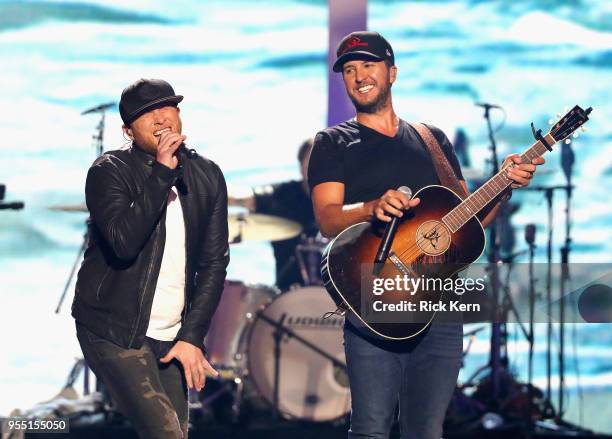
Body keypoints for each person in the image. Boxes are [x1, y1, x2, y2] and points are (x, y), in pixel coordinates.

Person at [308, 31, 544, 439]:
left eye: (368, 65)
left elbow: (463, 227)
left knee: (427, 431)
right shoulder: (333, 142)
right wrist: (370, 207)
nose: (359, 76)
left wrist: (506, 185)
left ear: (392, 73)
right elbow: (327, 219)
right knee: (371, 429)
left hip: (441, 309)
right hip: (375, 303)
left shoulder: (432, 139)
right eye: (349, 70)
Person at [72, 78, 230, 438]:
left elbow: (214, 264)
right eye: (146, 114)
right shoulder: (108, 171)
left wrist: (191, 336)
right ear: (128, 130)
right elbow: (123, 243)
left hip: (172, 333)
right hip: (114, 329)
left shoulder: (207, 175)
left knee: (177, 432)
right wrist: (162, 171)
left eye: (167, 107)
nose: (160, 119)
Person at [229, 139, 318, 290]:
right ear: (301, 166)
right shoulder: (283, 195)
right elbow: (242, 197)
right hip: (288, 298)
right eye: (312, 160)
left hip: (343, 299)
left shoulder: (354, 200)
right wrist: (205, 191)